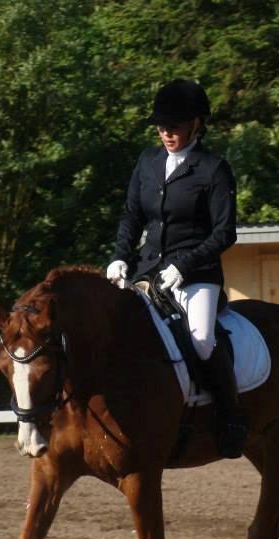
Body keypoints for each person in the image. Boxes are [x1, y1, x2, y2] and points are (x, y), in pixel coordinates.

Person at [106, 79, 247, 459]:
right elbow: (133, 215)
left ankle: (229, 418)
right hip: (148, 269)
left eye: (176, 126)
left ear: (197, 124)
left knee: (201, 338)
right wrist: (120, 255)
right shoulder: (147, 163)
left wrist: (184, 266)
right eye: (162, 126)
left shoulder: (214, 169)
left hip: (197, 274)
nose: (167, 133)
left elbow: (224, 232)